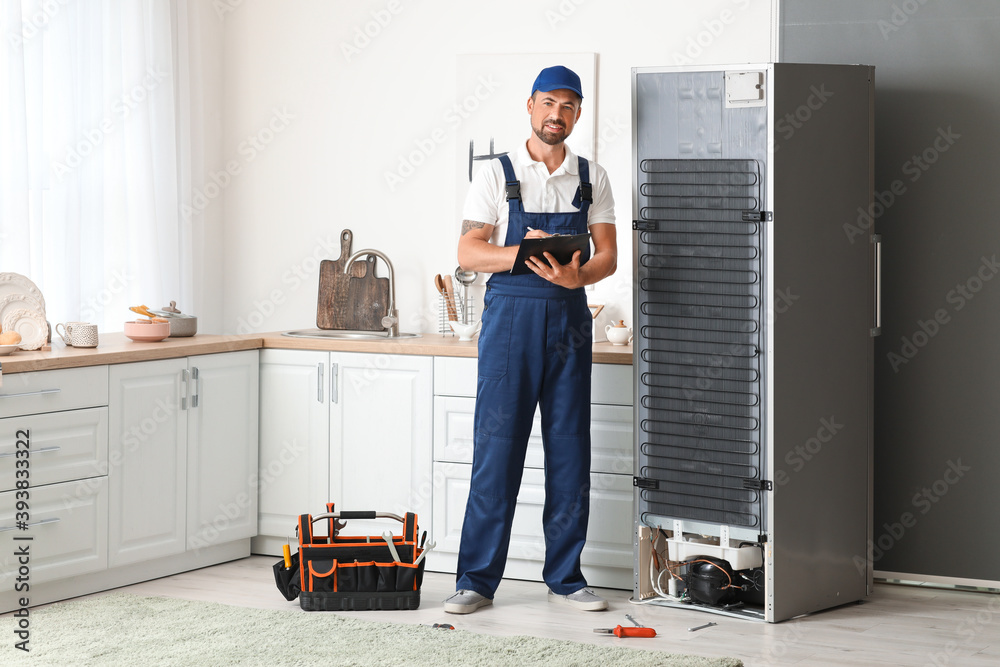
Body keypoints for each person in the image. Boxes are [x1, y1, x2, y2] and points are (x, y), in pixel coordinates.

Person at [444, 65, 617, 614]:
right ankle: (476, 580)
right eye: (547, 103)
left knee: (570, 452)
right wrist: (523, 255)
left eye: (567, 106)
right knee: (496, 451)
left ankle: (566, 577)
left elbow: (607, 255)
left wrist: (578, 277)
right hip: (510, 323)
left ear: (579, 113)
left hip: (568, 319)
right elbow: (469, 252)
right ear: (529, 106)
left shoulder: (593, 177)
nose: (555, 115)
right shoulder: (497, 173)